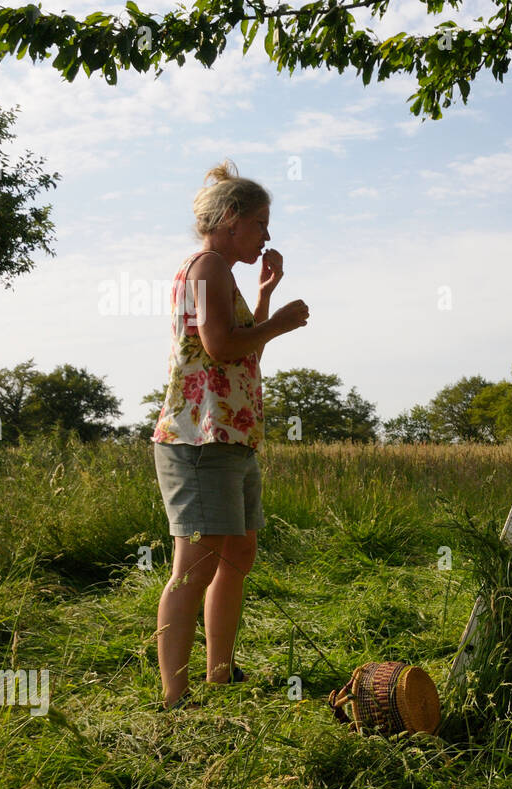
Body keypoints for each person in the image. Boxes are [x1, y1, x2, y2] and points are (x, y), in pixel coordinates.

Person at [150, 160, 310, 710]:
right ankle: (176, 696)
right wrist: (282, 321)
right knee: (193, 565)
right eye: (262, 222)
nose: (268, 234)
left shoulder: (223, 272)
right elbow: (220, 347)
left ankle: (220, 672)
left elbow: (245, 345)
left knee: (237, 551)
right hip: (199, 439)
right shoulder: (208, 267)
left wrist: (265, 298)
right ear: (230, 218)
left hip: (230, 437)